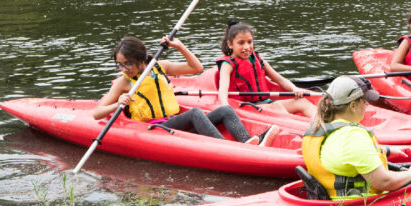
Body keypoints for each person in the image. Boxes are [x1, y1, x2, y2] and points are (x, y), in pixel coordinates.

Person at [92, 35, 276, 146]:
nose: (124, 68)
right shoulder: (123, 83)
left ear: (142, 60)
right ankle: (229, 148)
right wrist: (118, 104)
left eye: (128, 63)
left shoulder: (159, 66)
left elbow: (196, 67)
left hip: (173, 121)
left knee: (226, 110)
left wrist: (179, 46)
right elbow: (97, 113)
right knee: (195, 113)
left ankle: (246, 141)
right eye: (119, 65)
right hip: (154, 128)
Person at [301, 76, 411, 200]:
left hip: (329, 203)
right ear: (353, 105)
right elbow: (384, 182)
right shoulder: (353, 136)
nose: (366, 107)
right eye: (365, 102)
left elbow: (343, 153)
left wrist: (385, 150)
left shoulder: (319, 129)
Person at [217, 20, 316, 118]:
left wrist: (294, 88)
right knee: (277, 107)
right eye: (241, 43)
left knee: (301, 102)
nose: (246, 47)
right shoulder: (228, 65)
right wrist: (225, 105)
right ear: (230, 44)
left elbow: (280, 79)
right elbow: (223, 89)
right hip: (247, 107)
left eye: (249, 42)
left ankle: (322, 124)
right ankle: (304, 128)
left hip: (266, 102)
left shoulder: (258, 60)